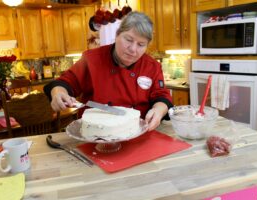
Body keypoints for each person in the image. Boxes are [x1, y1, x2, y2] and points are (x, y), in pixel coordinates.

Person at [44, 11, 173, 131]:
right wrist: (58, 93)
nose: (133, 49)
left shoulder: (152, 66)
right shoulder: (92, 59)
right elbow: (65, 83)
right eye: (128, 39)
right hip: (95, 136)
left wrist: (159, 110)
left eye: (141, 44)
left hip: (137, 134)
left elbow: (161, 96)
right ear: (117, 35)